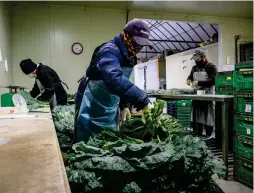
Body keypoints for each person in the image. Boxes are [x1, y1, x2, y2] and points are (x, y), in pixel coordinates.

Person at [73, 19, 152, 143]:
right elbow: (114, 79)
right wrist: (143, 101)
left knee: (107, 142)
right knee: (86, 143)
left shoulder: (129, 56)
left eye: (141, 45)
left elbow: (123, 82)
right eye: (136, 43)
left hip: (109, 106)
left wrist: (124, 105)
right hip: (91, 104)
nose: (138, 48)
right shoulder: (109, 51)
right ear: (126, 35)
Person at [186, 50, 217, 137]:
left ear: (203, 57)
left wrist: (198, 83)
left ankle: (208, 135)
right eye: (195, 60)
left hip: (208, 95)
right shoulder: (194, 68)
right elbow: (190, 77)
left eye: (198, 60)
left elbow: (213, 80)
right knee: (197, 115)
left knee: (208, 116)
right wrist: (188, 80)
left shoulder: (211, 67)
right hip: (197, 95)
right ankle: (197, 134)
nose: (196, 62)